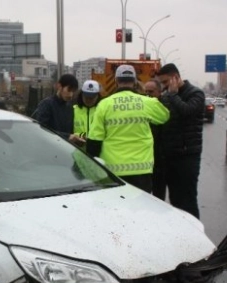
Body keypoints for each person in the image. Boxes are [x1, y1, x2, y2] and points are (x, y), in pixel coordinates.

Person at [87, 65, 170, 193]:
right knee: (140, 210)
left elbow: (94, 139)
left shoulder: (104, 104)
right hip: (142, 169)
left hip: (113, 170)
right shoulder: (147, 102)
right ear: (135, 81)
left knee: (116, 209)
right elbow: (164, 116)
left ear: (115, 81)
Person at [156, 63, 206, 219]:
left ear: (175, 78)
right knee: (175, 200)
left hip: (187, 156)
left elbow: (187, 111)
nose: (163, 87)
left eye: (165, 82)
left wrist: (173, 95)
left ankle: (196, 238)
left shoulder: (196, 94)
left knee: (188, 201)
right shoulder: (166, 96)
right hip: (169, 156)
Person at [31, 73, 79, 142]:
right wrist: (67, 137)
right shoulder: (46, 104)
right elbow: (41, 130)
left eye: (73, 91)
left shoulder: (69, 107)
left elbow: (70, 131)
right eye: (69, 90)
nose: (71, 95)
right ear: (59, 86)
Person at [143, 78, 167, 200]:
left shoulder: (165, 107)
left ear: (159, 92)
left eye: (151, 92)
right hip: (144, 159)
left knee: (158, 196)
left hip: (160, 159)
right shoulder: (140, 107)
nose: (147, 94)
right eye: (145, 91)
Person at [72, 80, 102, 148]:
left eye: (92, 98)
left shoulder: (102, 111)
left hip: (96, 155)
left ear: (97, 96)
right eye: (86, 97)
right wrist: (80, 136)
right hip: (77, 153)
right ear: (81, 95)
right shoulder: (73, 110)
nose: (88, 100)